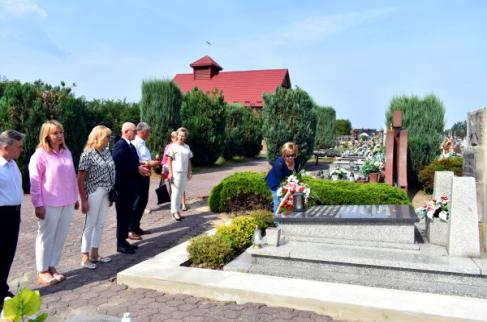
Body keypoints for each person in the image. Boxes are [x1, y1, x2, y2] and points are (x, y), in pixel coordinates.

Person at [29, 120, 79, 285]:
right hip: (49, 202)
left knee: (60, 236)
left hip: (68, 201)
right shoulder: (40, 155)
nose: (59, 136)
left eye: (61, 132)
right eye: (55, 133)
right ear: (47, 135)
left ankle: (52, 266)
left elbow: (72, 176)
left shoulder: (66, 152)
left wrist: (75, 197)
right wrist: (38, 204)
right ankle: (42, 270)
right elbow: (35, 182)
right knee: (46, 237)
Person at [77, 125, 115, 269]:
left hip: (106, 191)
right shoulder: (87, 154)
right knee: (90, 224)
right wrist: (83, 200)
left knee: (101, 223)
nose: (109, 139)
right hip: (93, 191)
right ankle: (85, 257)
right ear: (98, 137)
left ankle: (95, 253)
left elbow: (111, 171)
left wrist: (111, 192)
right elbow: (80, 178)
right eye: (107, 136)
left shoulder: (106, 152)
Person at [111, 122, 150, 254]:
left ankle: (124, 241)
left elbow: (132, 162)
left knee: (127, 215)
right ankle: (120, 244)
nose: (136, 132)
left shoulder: (130, 146)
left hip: (130, 187)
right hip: (123, 188)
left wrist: (142, 166)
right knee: (122, 216)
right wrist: (136, 168)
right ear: (126, 131)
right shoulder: (120, 146)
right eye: (134, 130)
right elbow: (118, 165)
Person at [0, 130, 24, 308]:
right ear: (6, 147)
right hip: (2, 215)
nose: (21, 150)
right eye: (19, 146)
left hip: (14, 213)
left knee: (8, 254)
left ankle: (2, 288)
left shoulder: (12, 164)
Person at [129, 122, 159, 240]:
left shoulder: (143, 143)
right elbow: (134, 160)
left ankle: (136, 227)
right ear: (142, 131)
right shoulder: (135, 143)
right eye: (148, 132)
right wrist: (148, 163)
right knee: (136, 202)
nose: (149, 134)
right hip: (137, 175)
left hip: (145, 174)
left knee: (143, 201)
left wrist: (151, 163)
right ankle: (130, 229)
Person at [265, 142, 301, 217]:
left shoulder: (297, 161)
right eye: (288, 155)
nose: (291, 157)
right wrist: (288, 189)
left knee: (291, 200)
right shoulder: (279, 163)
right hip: (275, 182)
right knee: (277, 201)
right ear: (284, 154)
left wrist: (294, 185)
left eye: (293, 155)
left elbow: (295, 174)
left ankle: (288, 219)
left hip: (287, 181)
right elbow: (280, 181)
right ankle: (277, 222)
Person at [167, 128, 193, 221]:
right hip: (176, 173)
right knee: (175, 193)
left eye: (183, 135)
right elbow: (169, 160)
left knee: (181, 192)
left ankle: (177, 211)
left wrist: (190, 172)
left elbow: (189, 160)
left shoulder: (187, 147)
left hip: (184, 173)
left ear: (185, 137)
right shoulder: (173, 146)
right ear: (177, 135)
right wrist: (170, 173)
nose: (181, 137)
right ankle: (174, 212)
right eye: (180, 135)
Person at [161, 131, 188, 210]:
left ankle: (183, 204)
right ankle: (173, 204)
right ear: (171, 138)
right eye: (173, 137)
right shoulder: (169, 146)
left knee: (181, 187)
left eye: (175, 137)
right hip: (168, 168)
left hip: (177, 169)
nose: (175, 139)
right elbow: (165, 158)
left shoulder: (181, 146)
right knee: (172, 186)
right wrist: (163, 168)